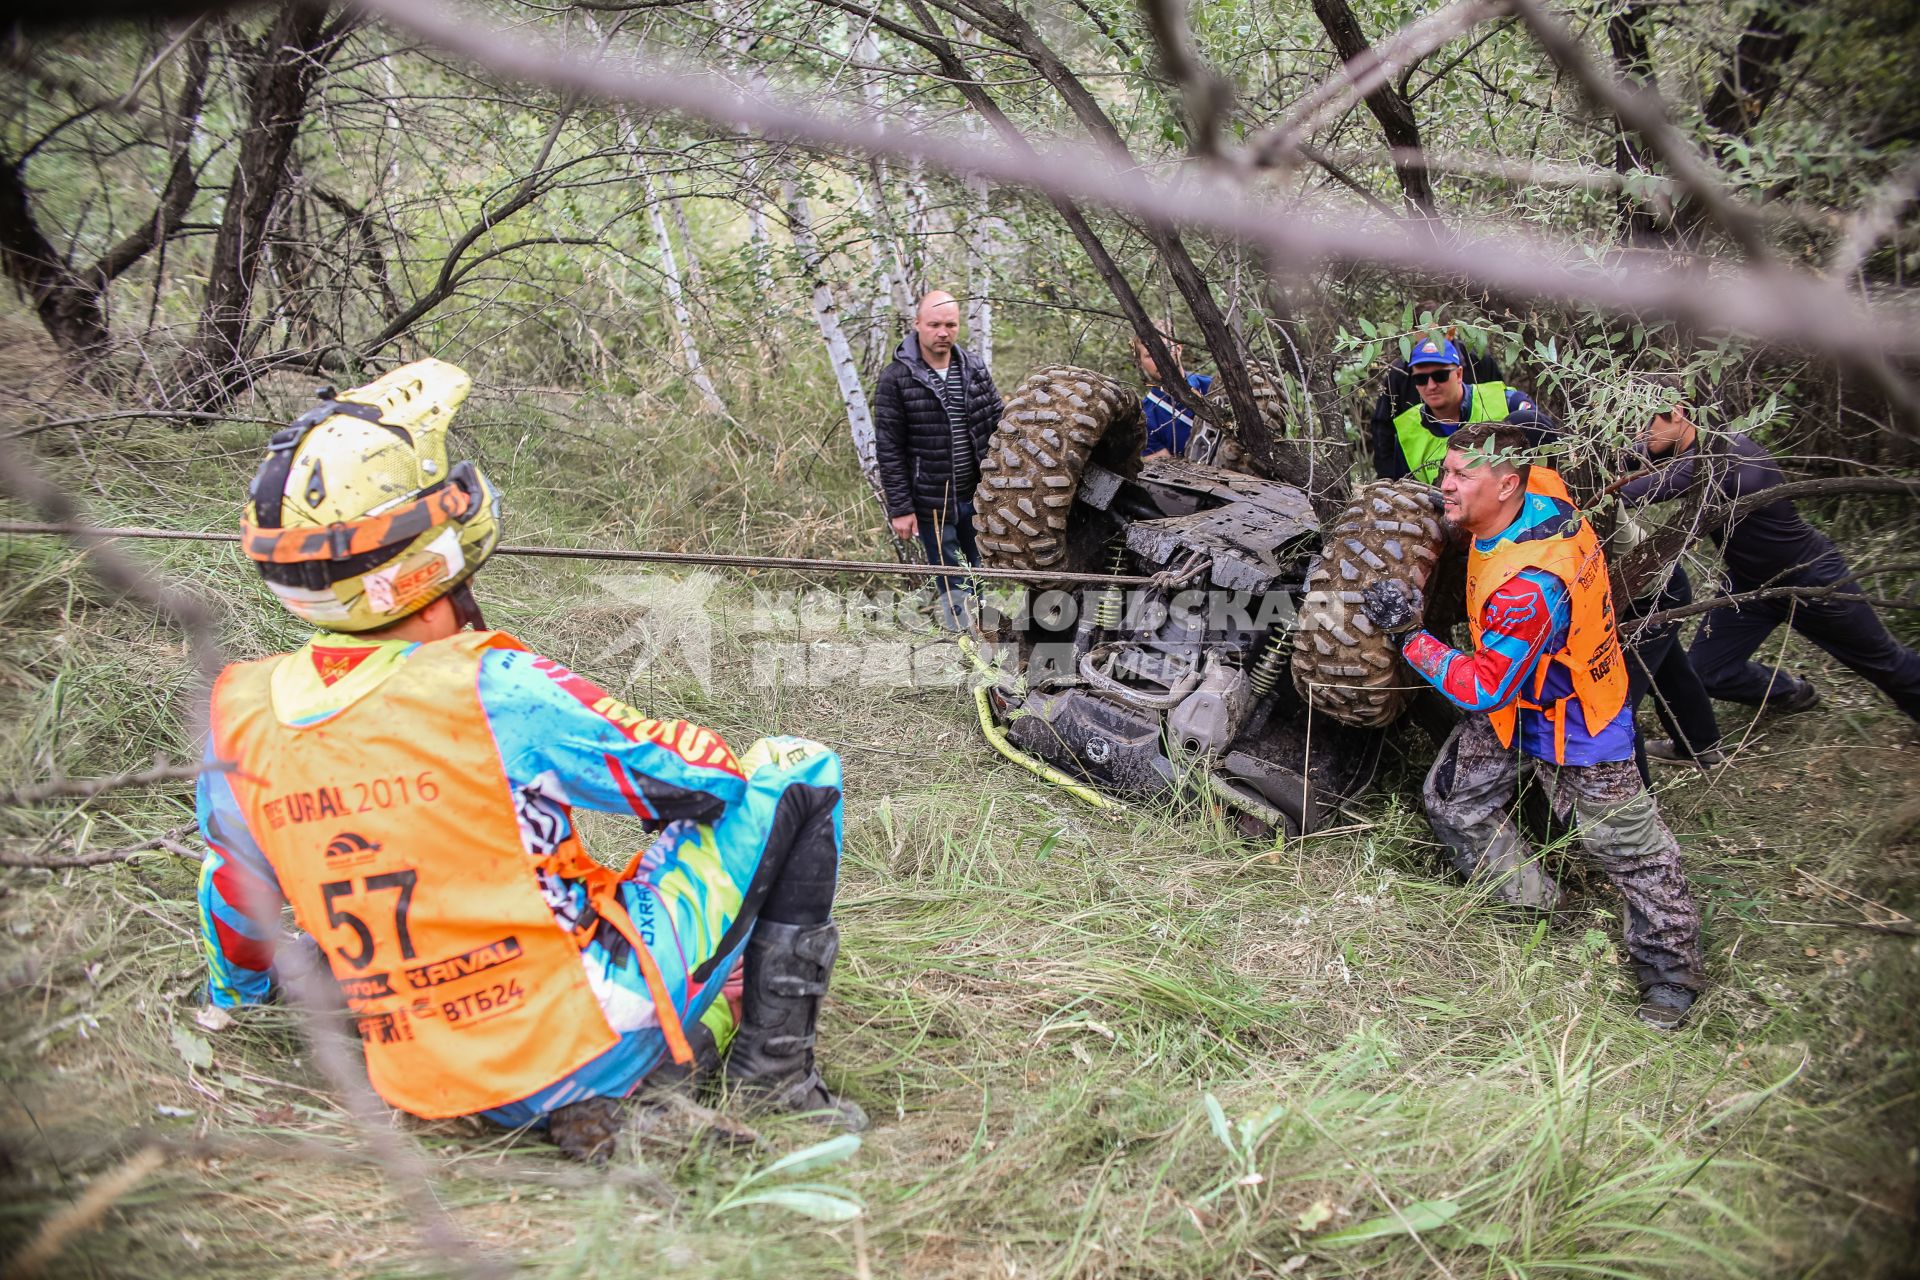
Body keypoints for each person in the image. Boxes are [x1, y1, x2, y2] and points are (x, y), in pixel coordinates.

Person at [197, 359, 866, 1161]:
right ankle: (774, 1079)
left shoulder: (237, 705)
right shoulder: (495, 684)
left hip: (417, 1074)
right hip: (579, 1036)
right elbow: (705, 783)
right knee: (797, 766)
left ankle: (625, 1081)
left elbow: (233, 887)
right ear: (437, 540)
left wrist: (236, 1000)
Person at [1360, 420, 1705, 1029]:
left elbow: (1484, 683)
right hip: (1516, 707)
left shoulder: (1530, 586)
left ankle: (1670, 972)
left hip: (1576, 718)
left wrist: (1410, 637)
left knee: (1631, 851)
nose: (1446, 484)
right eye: (1446, 470)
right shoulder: (1540, 489)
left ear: (1507, 486)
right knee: (1453, 800)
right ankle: (1536, 908)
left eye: (1462, 476)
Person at [1617, 389, 1920, 729]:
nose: (1638, 435)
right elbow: (1634, 460)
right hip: (1749, 585)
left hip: (1811, 578)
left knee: (1885, 663)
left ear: (1677, 411)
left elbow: (1639, 491)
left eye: (1643, 423)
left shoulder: (1724, 457)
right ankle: (1790, 692)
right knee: (1708, 673)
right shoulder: (1688, 448)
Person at [873, 290, 1004, 623]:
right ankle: (962, 636)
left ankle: (983, 632)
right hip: (930, 499)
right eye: (934, 324)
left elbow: (999, 426)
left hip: (976, 495)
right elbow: (889, 448)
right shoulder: (897, 378)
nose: (943, 332)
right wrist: (901, 508)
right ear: (917, 324)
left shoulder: (973, 367)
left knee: (979, 569)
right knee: (950, 573)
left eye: (950, 324)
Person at [1370, 335, 1548, 484]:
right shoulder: (1407, 430)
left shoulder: (1505, 402)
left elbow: (1548, 449)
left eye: (1440, 376)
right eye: (1421, 379)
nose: (1431, 386)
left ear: (1459, 374)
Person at [1133, 329, 1213, 460]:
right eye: (1149, 355)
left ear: (1179, 349)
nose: (1158, 358)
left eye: (1165, 349)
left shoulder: (1211, 386)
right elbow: (1169, 473)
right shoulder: (1144, 419)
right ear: (1140, 363)